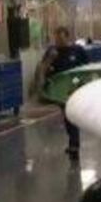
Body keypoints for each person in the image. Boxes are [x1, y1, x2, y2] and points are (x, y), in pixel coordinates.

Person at [38, 26, 89, 161]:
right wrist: (49, 61)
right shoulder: (52, 51)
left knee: (71, 114)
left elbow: (87, 68)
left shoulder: (78, 51)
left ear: (67, 37)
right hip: (59, 90)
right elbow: (42, 69)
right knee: (67, 116)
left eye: (60, 38)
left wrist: (81, 83)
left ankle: (74, 145)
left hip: (75, 88)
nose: (58, 41)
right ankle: (73, 142)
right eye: (56, 38)